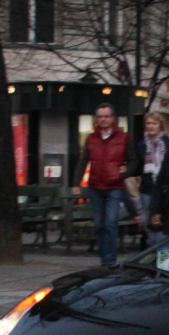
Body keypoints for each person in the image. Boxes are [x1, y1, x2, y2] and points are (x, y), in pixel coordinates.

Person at [72, 102, 138, 265]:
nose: (103, 119)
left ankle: (110, 262)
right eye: (100, 116)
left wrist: (124, 172)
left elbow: (134, 161)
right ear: (97, 119)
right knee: (100, 225)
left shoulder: (124, 138)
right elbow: (83, 162)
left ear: (113, 118)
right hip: (95, 187)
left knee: (110, 222)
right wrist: (76, 183)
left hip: (114, 187)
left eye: (106, 116)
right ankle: (104, 259)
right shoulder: (91, 138)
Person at [133, 113, 169, 247]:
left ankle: (161, 251)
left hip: (165, 189)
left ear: (160, 125)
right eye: (148, 123)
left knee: (163, 224)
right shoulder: (140, 145)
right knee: (149, 224)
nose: (151, 126)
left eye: (154, 123)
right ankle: (152, 252)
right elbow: (137, 166)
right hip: (147, 188)